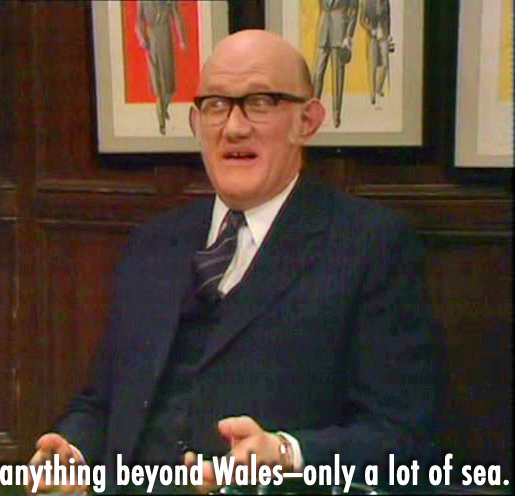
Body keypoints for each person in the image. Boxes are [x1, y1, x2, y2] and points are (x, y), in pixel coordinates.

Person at [28, 29, 438, 494]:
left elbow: (402, 435)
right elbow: (102, 402)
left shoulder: (369, 244)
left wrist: (287, 454)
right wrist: (72, 451)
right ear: (196, 121)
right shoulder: (152, 243)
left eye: (260, 102)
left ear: (307, 121)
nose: (234, 127)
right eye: (216, 105)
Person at [135, 0, 187, 135]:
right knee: (157, 82)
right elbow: (139, 20)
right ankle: (161, 121)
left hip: (166, 38)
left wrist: (181, 40)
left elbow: (177, 17)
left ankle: (164, 107)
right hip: (151, 41)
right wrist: (141, 37)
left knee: (168, 82)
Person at [313, 0, 359, 127]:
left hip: (340, 33)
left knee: (337, 76)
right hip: (324, 30)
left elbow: (354, 11)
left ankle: (336, 114)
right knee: (317, 73)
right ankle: (313, 110)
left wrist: (348, 36)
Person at [360, 0, 395, 105]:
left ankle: (378, 88)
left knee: (385, 64)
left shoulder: (385, 2)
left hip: (383, 36)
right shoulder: (367, 2)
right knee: (372, 66)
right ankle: (372, 95)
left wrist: (389, 35)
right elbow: (362, 20)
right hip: (372, 37)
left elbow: (388, 19)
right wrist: (370, 29)